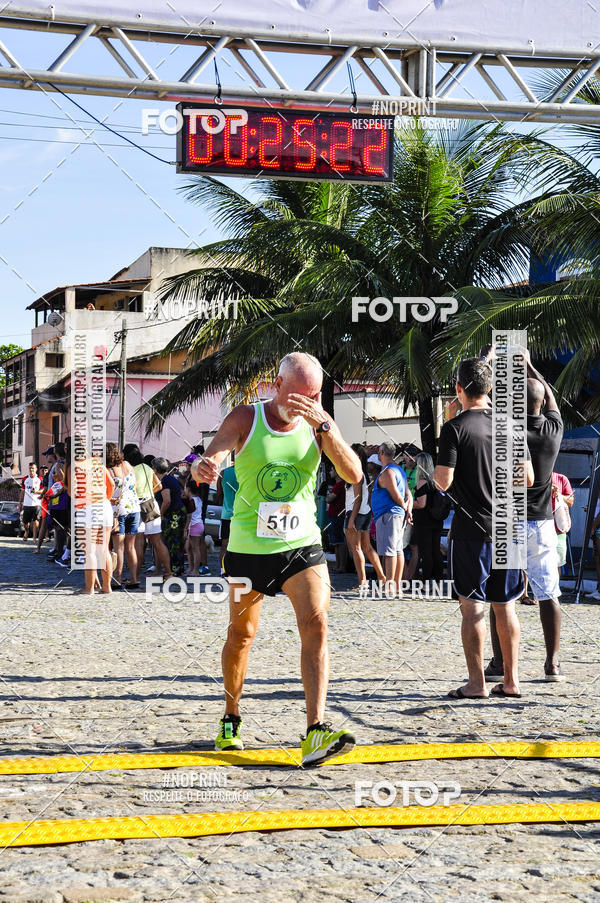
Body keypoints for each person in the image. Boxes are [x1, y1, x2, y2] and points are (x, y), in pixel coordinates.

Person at [191, 351, 362, 766]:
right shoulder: (246, 418)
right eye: (299, 395)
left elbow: (354, 474)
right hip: (248, 550)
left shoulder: (320, 423)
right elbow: (210, 456)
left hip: (301, 546)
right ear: (276, 385)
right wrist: (205, 467)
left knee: (317, 623)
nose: (305, 402)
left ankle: (315, 731)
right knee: (241, 636)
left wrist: (326, 427)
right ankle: (231, 718)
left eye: (315, 395)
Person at [434, 357, 534, 700]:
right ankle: (511, 680)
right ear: (490, 388)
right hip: (507, 527)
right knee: (506, 605)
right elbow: (529, 478)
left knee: (473, 608)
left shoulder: (454, 428)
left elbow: (443, 482)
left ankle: (477, 684)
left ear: (459, 389)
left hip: (471, 530)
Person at [488, 359, 564, 682]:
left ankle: (499, 662)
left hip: (510, 518)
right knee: (549, 592)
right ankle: (552, 662)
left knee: (501, 595)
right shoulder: (553, 432)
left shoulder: (508, 430)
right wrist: (531, 367)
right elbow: (551, 398)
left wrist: (491, 363)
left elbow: (482, 401)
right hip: (543, 521)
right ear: (542, 404)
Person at [68, 452, 115, 595]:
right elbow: (111, 484)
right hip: (105, 506)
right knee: (104, 549)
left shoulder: (74, 466)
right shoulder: (98, 463)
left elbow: (71, 492)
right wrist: (106, 498)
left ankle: (89, 588)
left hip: (88, 508)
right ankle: (107, 587)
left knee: (89, 551)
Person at [123, 444, 171, 584]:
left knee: (138, 542)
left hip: (136, 506)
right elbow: (159, 486)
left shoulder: (129, 469)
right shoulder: (148, 468)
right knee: (157, 541)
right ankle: (168, 573)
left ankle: (135, 577)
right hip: (151, 505)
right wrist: (148, 493)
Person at [371, 440, 412, 588]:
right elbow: (409, 495)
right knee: (397, 549)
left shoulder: (388, 471)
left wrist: (406, 510)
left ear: (382, 453)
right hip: (396, 514)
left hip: (389, 514)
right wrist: (408, 510)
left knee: (390, 551)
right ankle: (395, 586)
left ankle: (390, 587)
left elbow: (397, 495)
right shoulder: (399, 470)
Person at [344, 445, 385, 588]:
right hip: (365, 512)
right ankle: (381, 576)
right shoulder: (363, 474)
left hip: (355, 513)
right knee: (367, 547)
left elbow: (358, 498)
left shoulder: (356, 473)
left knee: (356, 549)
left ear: (358, 456)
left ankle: (362, 582)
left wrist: (351, 519)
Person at [106, 442, 141, 589]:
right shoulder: (127, 464)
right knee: (130, 547)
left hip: (118, 511)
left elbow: (108, 490)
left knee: (118, 548)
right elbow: (136, 485)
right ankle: (134, 579)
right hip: (134, 508)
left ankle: (117, 579)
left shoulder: (109, 470)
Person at [412, 452, 445, 585]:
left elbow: (421, 504)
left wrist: (407, 503)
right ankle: (438, 579)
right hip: (436, 520)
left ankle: (425, 581)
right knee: (436, 550)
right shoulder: (436, 481)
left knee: (426, 552)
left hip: (424, 521)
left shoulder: (422, 482)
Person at [153, 457, 186, 577]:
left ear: (156, 469)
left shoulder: (164, 481)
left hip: (173, 514)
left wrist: (160, 514)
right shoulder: (171, 478)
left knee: (173, 542)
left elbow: (167, 500)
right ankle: (177, 568)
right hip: (177, 512)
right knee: (176, 542)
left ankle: (174, 570)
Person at [401, 445, 421, 581]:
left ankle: (409, 577)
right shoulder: (399, 469)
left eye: (413, 455)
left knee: (414, 546)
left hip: (415, 512)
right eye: (408, 455)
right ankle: (402, 577)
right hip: (399, 511)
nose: (410, 458)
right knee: (399, 547)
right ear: (403, 455)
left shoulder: (419, 471)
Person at [216, 462, 239, 575]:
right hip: (243, 515)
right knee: (242, 544)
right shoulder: (247, 471)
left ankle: (223, 570)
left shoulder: (223, 473)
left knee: (225, 544)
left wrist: (225, 505)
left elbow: (219, 494)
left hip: (227, 514)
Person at [552, 471, 574, 582]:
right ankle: (525, 594)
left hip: (558, 527)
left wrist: (559, 495)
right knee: (531, 561)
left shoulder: (561, 478)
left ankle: (554, 592)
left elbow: (571, 501)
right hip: (538, 524)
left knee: (557, 562)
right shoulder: (534, 477)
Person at [325, 467, 346, 574]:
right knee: (336, 542)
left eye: (332, 470)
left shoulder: (339, 485)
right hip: (335, 515)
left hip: (338, 516)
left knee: (339, 541)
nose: (330, 472)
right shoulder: (338, 485)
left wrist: (327, 497)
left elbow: (329, 499)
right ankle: (338, 565)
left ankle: (341, 566)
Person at [184, 480, 206, 576]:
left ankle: (195, 570)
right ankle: (191, 568)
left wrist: (185, 529)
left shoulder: (192, 500)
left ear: (188, 489)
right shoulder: (198, 499)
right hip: (197, 524)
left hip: (194, 525)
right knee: (188, 548)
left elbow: (189, 516)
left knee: (195, 548)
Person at [19, 462, 42, 541]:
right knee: (26, 522)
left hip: (37, 503)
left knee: (36, 520)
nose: (31, 470)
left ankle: (35, 537)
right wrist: (20, 502)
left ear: (36, 469)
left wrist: (36, 491)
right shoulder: (25, 479)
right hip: (27, 503)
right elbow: (22, 491)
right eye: (30, 468)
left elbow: (43, 490)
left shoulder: (40, 479)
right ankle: (26, 531)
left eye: (33, 468)